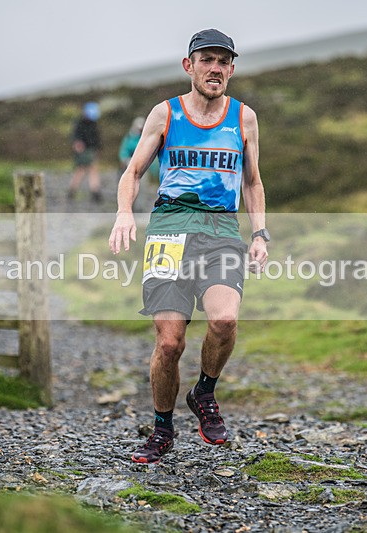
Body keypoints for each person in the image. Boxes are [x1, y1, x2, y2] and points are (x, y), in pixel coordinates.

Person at [109, 28, 269, 464]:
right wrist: (125, 211)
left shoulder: (244, 118)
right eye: (206, 60)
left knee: (224, 321)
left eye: (223, 61)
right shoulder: (165, 114)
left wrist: (259, 233)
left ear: (232, 69)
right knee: (169, 344)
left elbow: (252, 182)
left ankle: (204, 392)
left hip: (220, 232)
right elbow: (132, 172)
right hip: (168, 231)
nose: (214, 68)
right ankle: (162, 429)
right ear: (189, 66)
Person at [67, 101, 103, 203]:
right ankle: (72, 191)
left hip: (91, 150)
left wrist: (97, 149)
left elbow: (96, 138)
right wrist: (77, 144)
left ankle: (95, 192)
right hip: (83, 151)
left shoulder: (93, 124)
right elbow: (75, 137)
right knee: (81, 170)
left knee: (92, 170)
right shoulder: (79, 123)